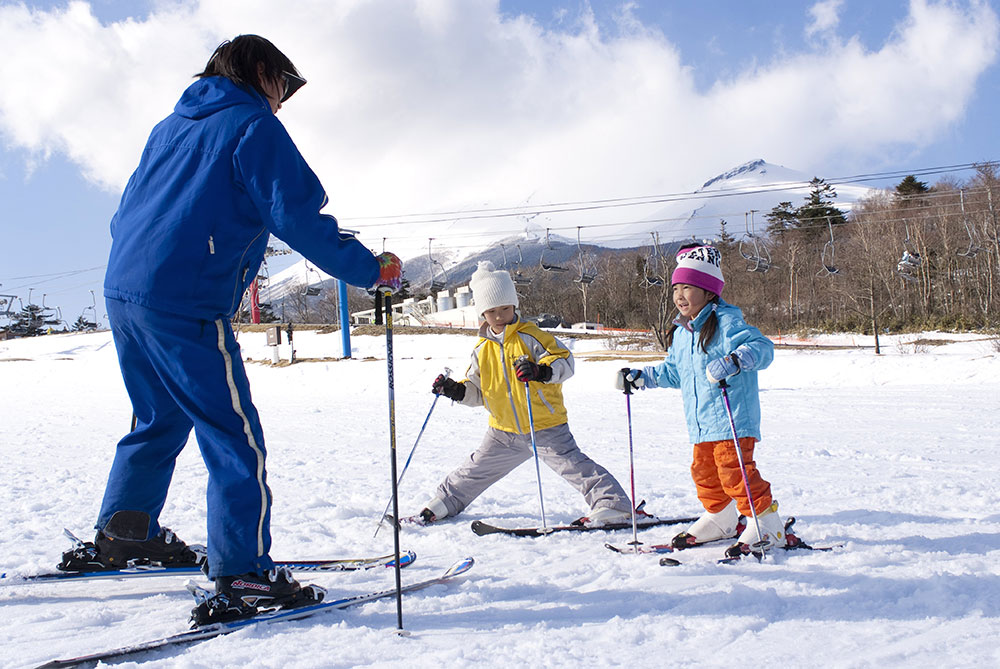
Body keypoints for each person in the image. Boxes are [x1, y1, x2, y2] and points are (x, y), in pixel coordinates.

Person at [58, 35, 402, 622]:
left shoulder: (169, 127)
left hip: (125, 291)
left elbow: (125, 212)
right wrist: (372, 269)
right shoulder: (252, 126)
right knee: (232, 435)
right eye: (285, 87)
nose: (284, 102)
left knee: (158, 417)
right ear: (262, 72)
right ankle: (244, 575)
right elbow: (296, 215)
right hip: (184, 298)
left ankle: (126, 531)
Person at [417, 261, 636, 526]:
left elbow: (564, 362)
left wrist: (540, 371)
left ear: (514, 306)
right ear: (482, 314)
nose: (500, 316)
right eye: (492, 311)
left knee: (576, 467)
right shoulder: (481, 350)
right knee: (475, 470)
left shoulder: (532, 337)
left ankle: (614, 505)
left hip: (544, 424)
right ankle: (444, 503)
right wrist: (454, 390)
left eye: (505, 309)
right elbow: (478, 392)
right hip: (503, 431)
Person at [615, 245, 783, 558]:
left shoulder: (727, 323)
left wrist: (736, 359)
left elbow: (763, 348)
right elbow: (674, 372)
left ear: (708, 292)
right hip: (701, 422)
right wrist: (642, 376)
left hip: (732, 419)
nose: (679, 295)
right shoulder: (682, 333)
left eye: (688, 288)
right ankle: (720, 519)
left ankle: (768, 525)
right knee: (704, 474)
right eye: (676, 288)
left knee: (736, 474)